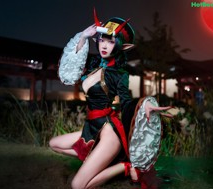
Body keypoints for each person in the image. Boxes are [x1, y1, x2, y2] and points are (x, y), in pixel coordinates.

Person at [49, 9, 172, 189]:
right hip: (91, 128)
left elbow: (126, 102)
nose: (104, 45)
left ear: (122, 46)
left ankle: (124, 166)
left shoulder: (120, 74)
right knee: (54, 144)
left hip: (108, 134)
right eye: (102, 39)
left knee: (77, 186)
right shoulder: (93, 64)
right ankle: (97, 158)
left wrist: (144, 106)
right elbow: (72, 72)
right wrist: (83, 36)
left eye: (111, 41)